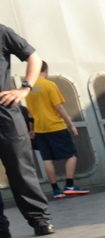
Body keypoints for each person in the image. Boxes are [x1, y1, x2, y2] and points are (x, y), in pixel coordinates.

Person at [0, 23, 54, 238]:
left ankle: (40, 218)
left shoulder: (2, 32)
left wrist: (25, 88)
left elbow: (34, 58)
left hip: (4, 110)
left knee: (20, 167)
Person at [25, 61, 91, 198]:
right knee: (71, 154)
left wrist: (32, 129)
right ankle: (70, 185)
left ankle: (55, 190)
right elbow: (59, 107)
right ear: (45, 69)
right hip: (55, 126)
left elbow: (30, 113)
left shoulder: (29, 88)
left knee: (47, 158)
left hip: (40, 129)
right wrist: (71, 125)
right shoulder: (50, 85)